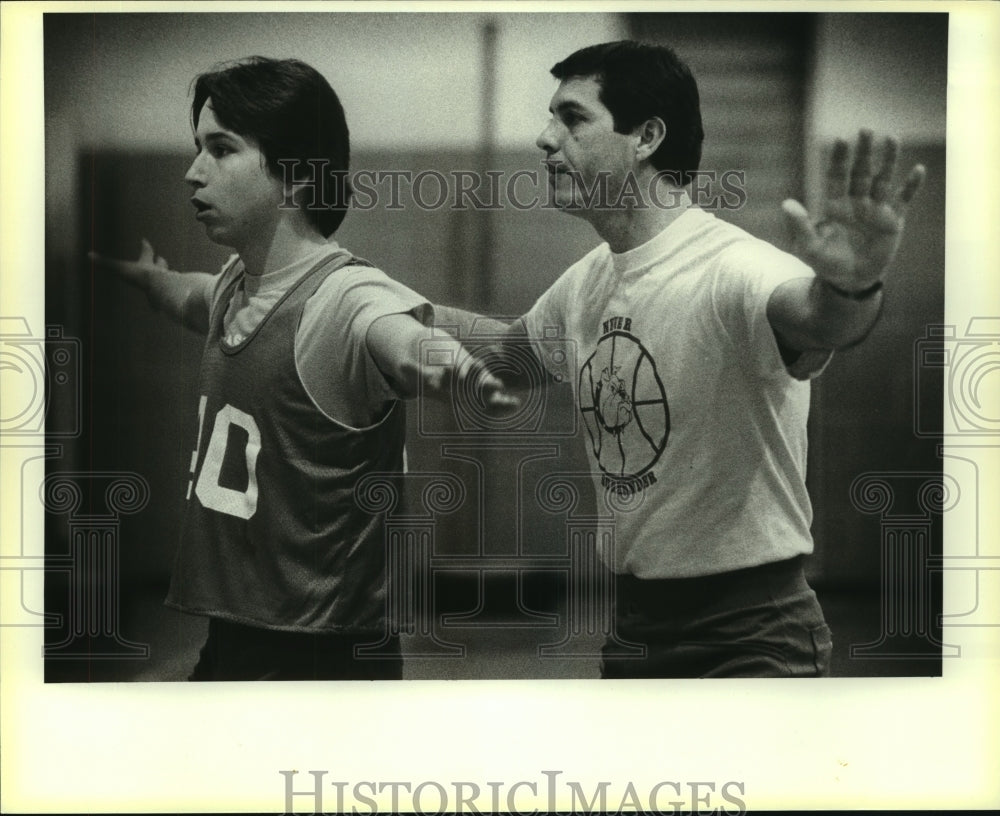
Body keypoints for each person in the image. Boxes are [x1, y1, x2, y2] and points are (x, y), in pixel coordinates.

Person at [475, 40, 925, 677]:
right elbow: (498, 360)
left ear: (647, 137)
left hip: (750, 636)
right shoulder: (584, 283)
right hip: (635, 628)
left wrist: (853, 285)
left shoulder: (735, 268)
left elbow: (824, 321)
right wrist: (370, 308)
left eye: (572, 118)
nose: (545, 139)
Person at [90, 56, 514, 681]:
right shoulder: (238, 286)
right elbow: (189, 294)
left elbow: (392, 331)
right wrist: (149, 279)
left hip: (317, 654)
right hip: (236, 636)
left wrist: (448, 368)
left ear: (294, 178)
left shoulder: (342, 297)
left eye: (221, 149)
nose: (192, 171)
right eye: (196, 147)